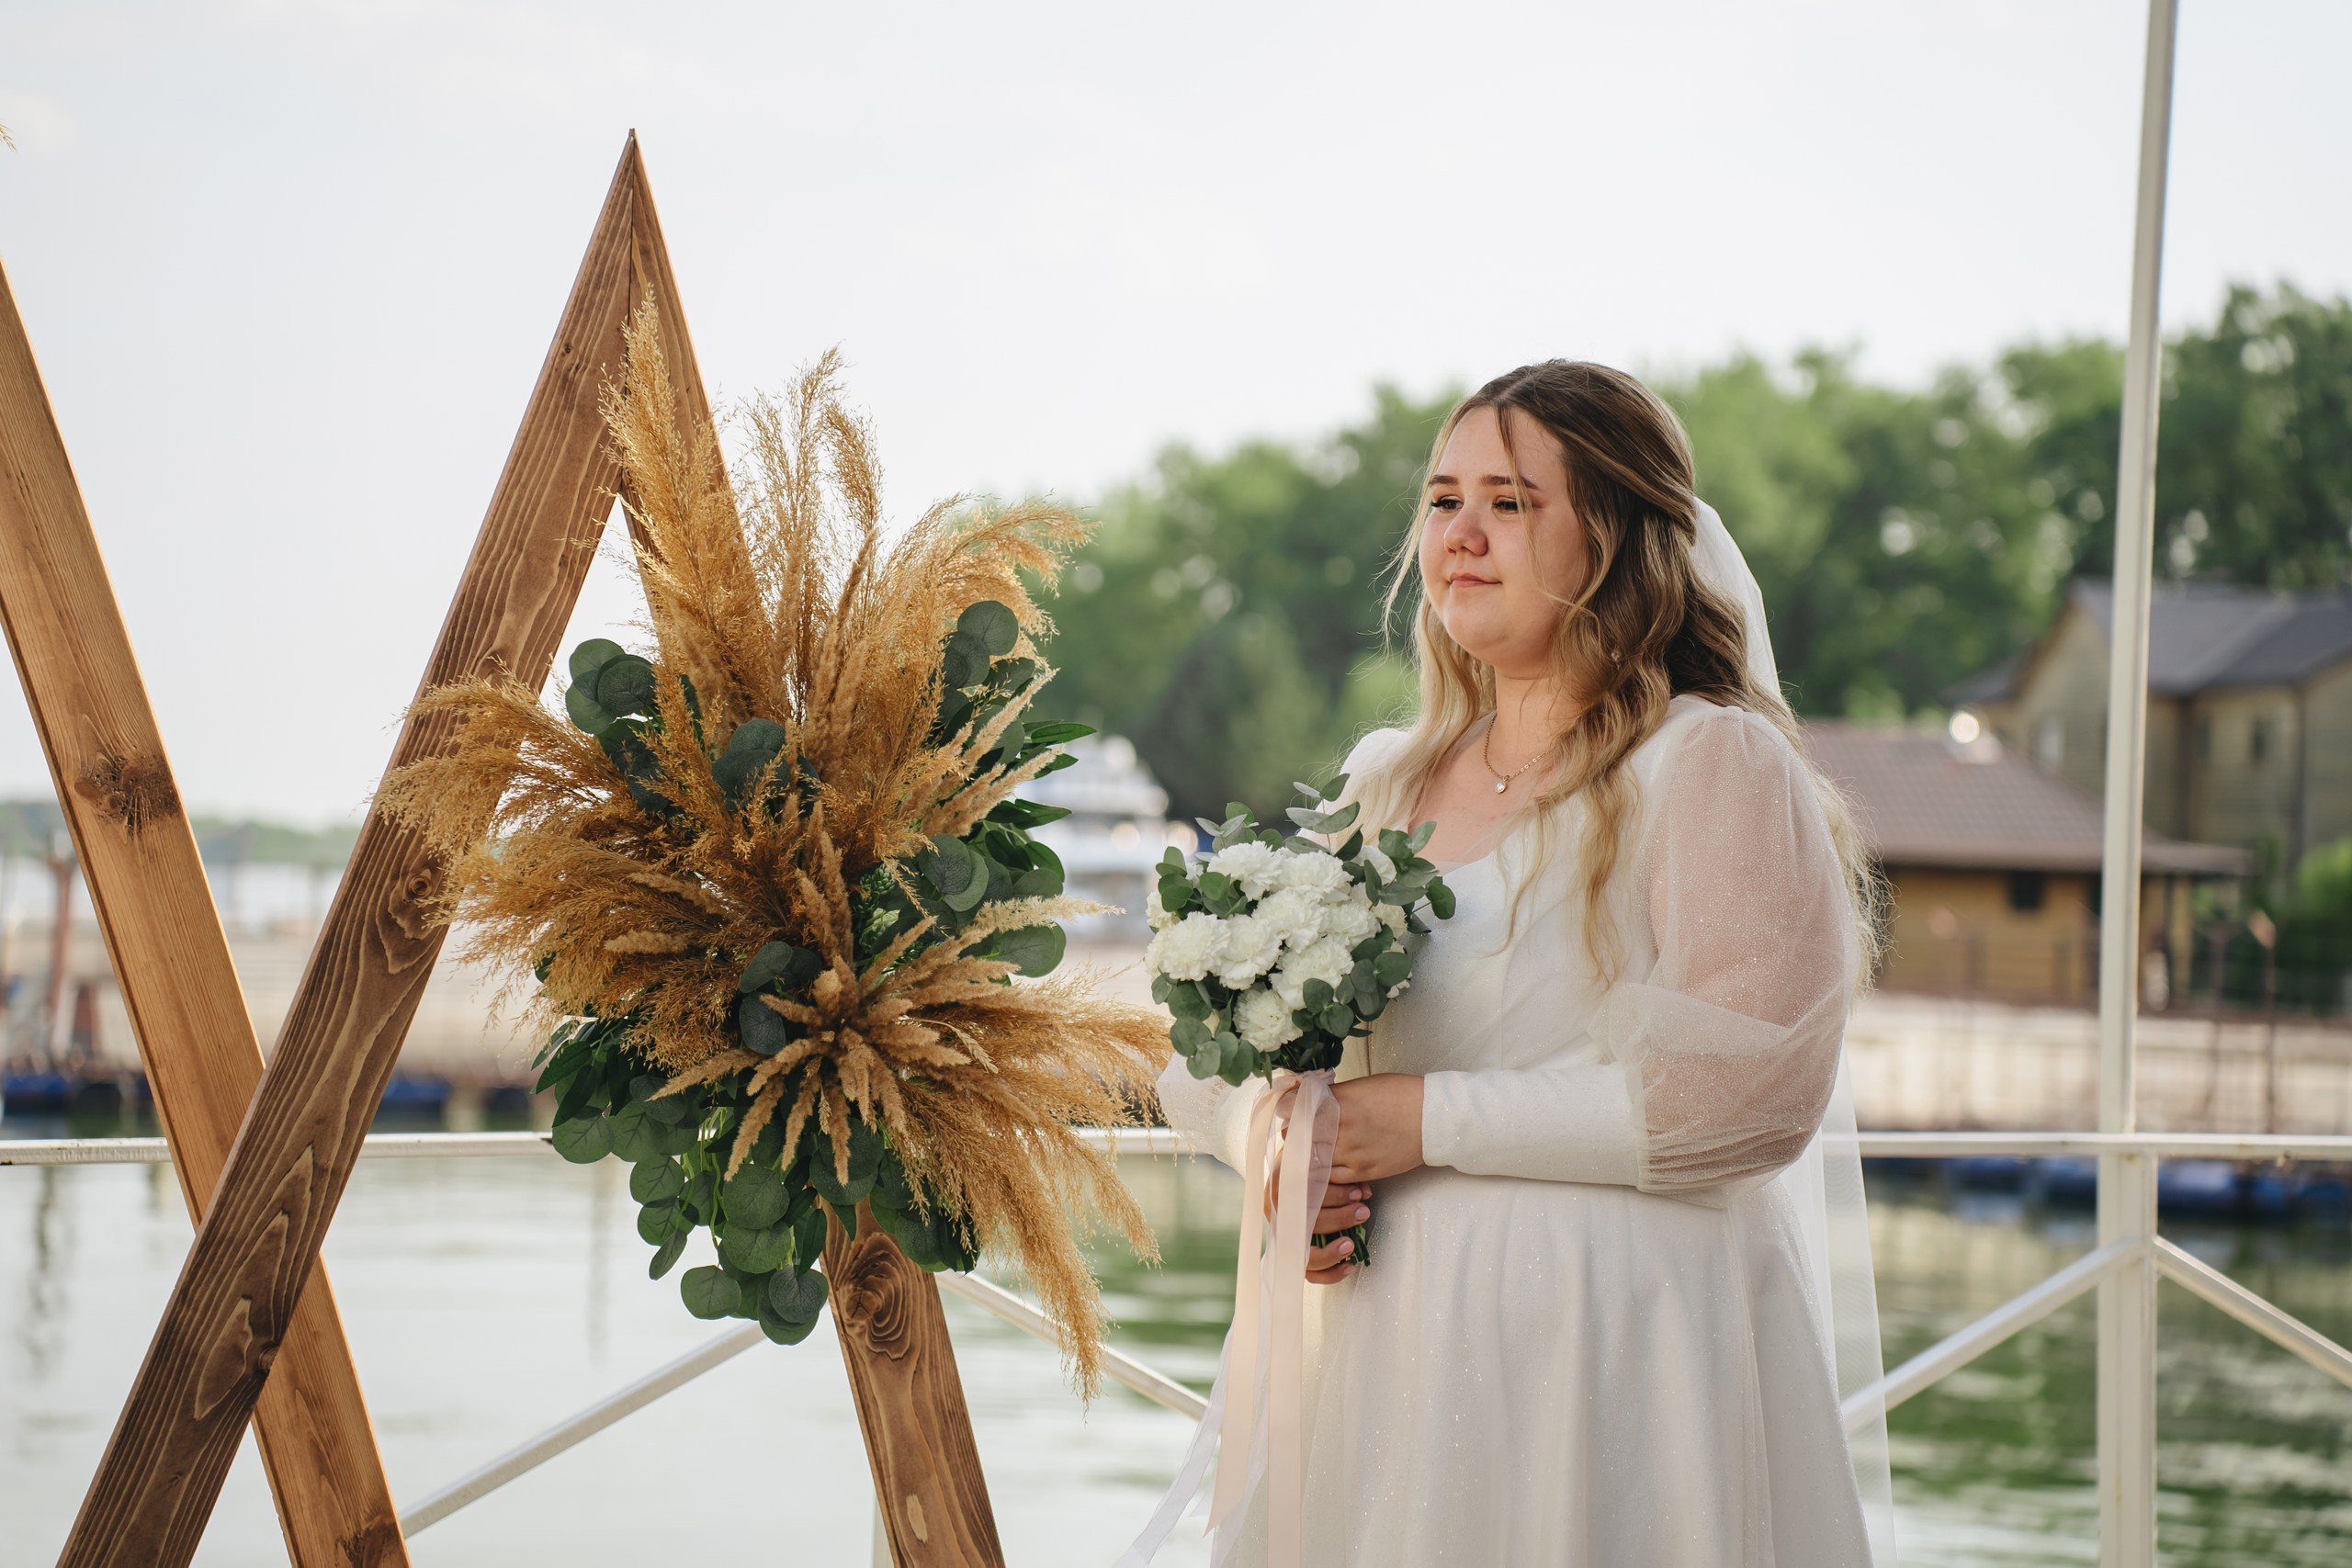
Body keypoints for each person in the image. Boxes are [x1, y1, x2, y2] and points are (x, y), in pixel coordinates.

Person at [1152, 361, 1894, 1566]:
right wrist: (1278, 1140)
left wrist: (1418, 1120)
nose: (1463, 535)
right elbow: (1215, 1043)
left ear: (1616, 533)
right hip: (1388, 1374)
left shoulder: (1708, 766)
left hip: (1612, 1376)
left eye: (1510, 501)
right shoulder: (1383, 781)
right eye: (1444, 502)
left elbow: (1745, 1106)